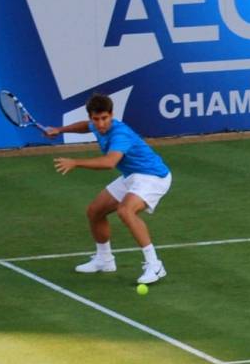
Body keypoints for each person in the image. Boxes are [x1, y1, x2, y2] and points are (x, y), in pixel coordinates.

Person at [44, 93, 174, 286]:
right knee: (95, 211)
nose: (101, 124)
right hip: (132, 175)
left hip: (153, 176)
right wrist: (60, 130)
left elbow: (109, 163)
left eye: (104, 118)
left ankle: (155, 265)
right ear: (91, 117)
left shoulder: (120, 134)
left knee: (125, 211)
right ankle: (104, 259)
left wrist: (76, 162)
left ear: (112, 115)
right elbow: (84, 126)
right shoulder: (95, 125)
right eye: (96, 119)